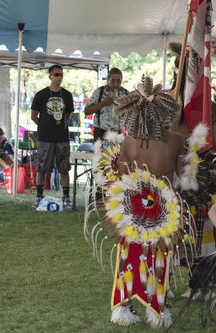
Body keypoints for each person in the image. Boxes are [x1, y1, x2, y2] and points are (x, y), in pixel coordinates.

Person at [104, 76, 186, 328]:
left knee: (129, 257)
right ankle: (157, 312)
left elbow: (121, 179)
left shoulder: (128, 142)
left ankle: (123, 309)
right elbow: (183, 180)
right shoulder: (176, 141)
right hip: (162, 211)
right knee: (157, 258)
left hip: (132, 210)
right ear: (163, 113)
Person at [30, 64, 74, 208]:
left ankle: (66, 197)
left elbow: (68, 115)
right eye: (56, 74)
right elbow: (33, 116)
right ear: (50, 76)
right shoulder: (41, 94)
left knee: (64, 168)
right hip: (45, 138)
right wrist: (44, 126)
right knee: (42, 168)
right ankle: (38, 196)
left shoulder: (67, 95)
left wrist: (60, 125)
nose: (59, 77)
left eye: (61, 75)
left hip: (62, 138)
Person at [84, 68, 128, 141]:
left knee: (118, 153)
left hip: (119, 133)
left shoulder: (126, 94)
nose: (116, 83)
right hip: (101, 132)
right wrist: (103, 103)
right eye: (113, 80)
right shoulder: (99, 92)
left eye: (118, 80)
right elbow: (87, 111)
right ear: (107, 80)